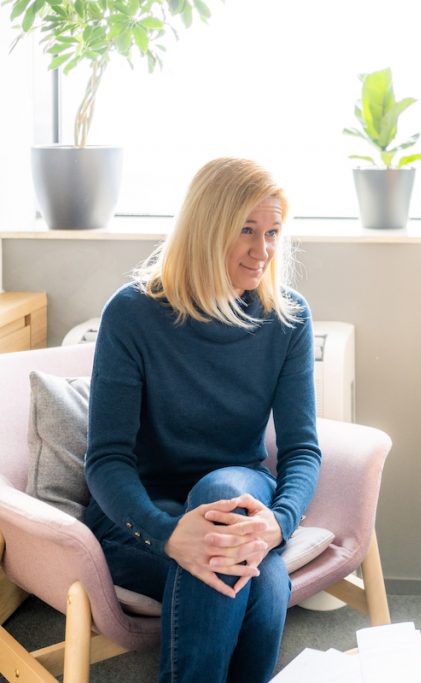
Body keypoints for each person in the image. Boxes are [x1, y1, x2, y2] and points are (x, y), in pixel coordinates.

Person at [84, 157, 321, 683]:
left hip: (237, 494)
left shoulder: (288, 318)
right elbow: (107, 460)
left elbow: (302, 448)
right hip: (137, 513)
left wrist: (277, 524)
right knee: (259, 582)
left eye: (274, 233)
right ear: (207, 228)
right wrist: (169, 535)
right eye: (247, 231)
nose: (263, 251)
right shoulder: (132, 313)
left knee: (222, 502)